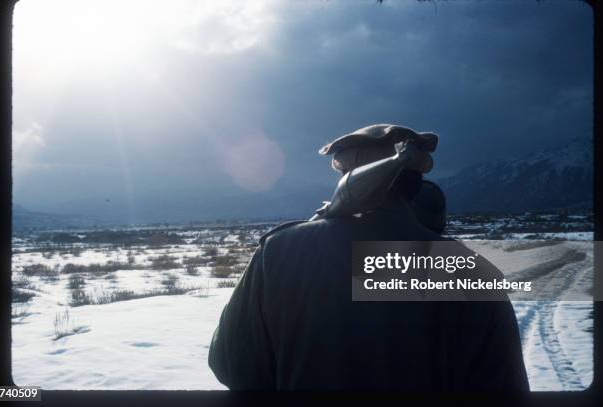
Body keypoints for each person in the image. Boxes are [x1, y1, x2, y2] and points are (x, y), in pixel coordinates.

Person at [208, 124, 529, 391]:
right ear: (414, 185)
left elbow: (231, 364)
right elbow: (504, 386)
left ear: (345, 176)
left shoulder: (278, 252)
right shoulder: (469, 269)